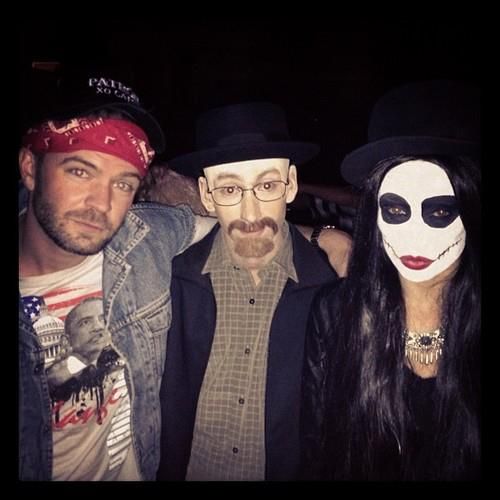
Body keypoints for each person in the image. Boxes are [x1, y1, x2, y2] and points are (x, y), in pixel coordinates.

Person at [18, 70, 216, 481]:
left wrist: (326, 237)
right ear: (30, 168)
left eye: (123, 183)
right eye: (80, 171)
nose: (101, 203)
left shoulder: (142, 241)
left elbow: (242, 229)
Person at [157, 102, 350, 481]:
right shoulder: (169, 280)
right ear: (206, 194)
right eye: (229, 188)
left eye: (267, 185)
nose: (250, 211)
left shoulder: (333, 289)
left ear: (291, 184)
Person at [300, 80, 481, 480]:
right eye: (396, 210)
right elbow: (316, 456)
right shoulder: (334, 314)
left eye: (438, 213)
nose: (414, 235)